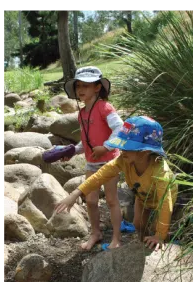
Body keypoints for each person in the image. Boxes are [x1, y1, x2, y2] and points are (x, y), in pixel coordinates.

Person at [54, 116, 177, 251]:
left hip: (162, 199)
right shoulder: (123, 160)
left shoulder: (160, 171)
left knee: (157, 227)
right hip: (142, 196)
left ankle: (159, 239)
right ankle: (143, 244)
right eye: (121, 146)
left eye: (127, 147)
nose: (122, 150)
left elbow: (166, 204)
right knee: (138, 224)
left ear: (145, 152)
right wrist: (76, 193)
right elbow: (100, 176)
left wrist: (159, 235)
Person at [60, 66, 125, 250]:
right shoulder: (82, 113)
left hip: (110, 161)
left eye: (86, 86)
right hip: (92, 162)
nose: (81, 90)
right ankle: (95, 233)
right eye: (78, 85)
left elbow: (120, 129)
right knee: (90, 200)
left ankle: (116, 238)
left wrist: (106, 146)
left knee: (112, 200)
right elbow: (86, 140)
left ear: (97, 87)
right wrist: (72, 151)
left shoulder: (105, 108)